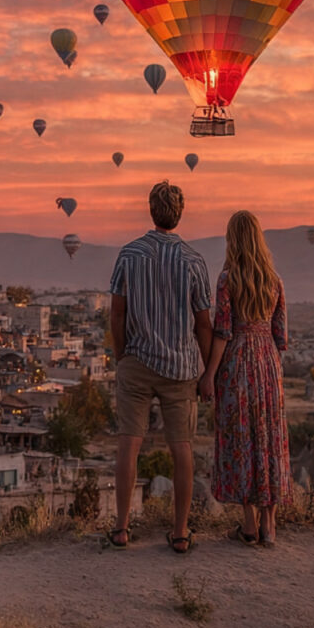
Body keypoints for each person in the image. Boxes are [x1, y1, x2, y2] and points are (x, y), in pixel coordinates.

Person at [108, 180, 213, 554]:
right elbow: (203, 322)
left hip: (136, 359)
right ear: (180, 213)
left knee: (128, 444)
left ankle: (121, 529)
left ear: (151, 210)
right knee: (181, 448)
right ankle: (180, 532)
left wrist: (122, 355)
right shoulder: (194, 261)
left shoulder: (129, 255)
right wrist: (206, 371)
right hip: (181, 367)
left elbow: (117, 312)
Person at [198, 210, 292, 547]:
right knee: (268, 439)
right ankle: (271, 524)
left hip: (237, 362)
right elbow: (281, 336)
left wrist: (209, 375)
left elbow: (222, 331)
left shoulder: (227, 280)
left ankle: (249, 525)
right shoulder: (275, 281)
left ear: (232, 240)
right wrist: (269, 367)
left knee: (242, 440)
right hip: (268, 363)